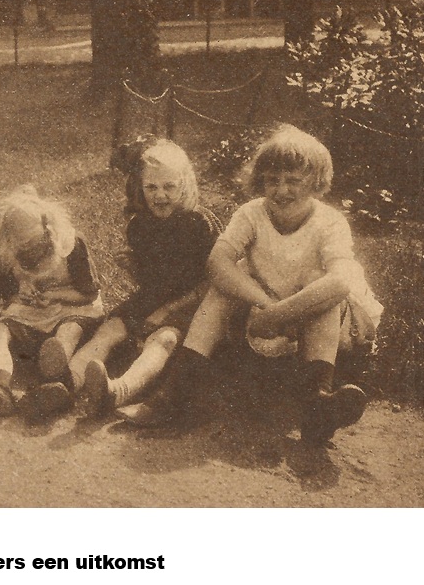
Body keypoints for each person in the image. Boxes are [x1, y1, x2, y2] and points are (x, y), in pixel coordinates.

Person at [150, 124, 383, 444]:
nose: (281, 191)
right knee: (221, 290)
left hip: (331, 328)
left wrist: (280, 314)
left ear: (315, 182)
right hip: (268, 313)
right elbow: (217, 262)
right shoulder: (252, 214)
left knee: (323, 290)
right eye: (272, 180)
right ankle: (174, 393)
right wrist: (267, 306)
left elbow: (341, 282)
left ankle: (317, 400)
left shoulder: (330, 222)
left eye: (293, 181)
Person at [71, 139, 222, 419]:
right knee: (110, 328)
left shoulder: (200, 224)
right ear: (140, 188)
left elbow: (215, 281)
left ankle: (118, 391)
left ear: (185, 185)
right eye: (151, 187)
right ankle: (68, 381)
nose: (160, 195)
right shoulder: (140, 225)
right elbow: (152, 279)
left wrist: (167, 310)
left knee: (163, 339)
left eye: (169, 187)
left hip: (191, 304)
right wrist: (133, 267)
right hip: (153, 298)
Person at [0, 186, 104, 419]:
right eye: (21, 245)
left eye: (34, 242)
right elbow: (6, 292)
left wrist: (55, 296)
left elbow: (89, 294)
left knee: (69, 331)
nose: (29, 250)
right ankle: (0, 386)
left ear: (48, 229)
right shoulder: (7, 252)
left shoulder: (71, 244)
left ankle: (55, 380)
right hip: (31, 312)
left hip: (72, 306)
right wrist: (20, 294)